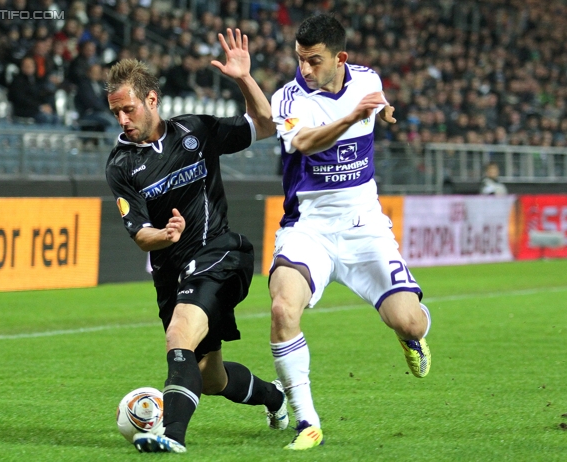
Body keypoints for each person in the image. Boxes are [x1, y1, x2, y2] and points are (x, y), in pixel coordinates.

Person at [104, 29, 286, 454]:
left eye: (128, 110)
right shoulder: (121, 166)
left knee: (179, 337)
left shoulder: (196, 131)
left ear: (152, 100)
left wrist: (244, 78)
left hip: (220, 252)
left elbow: (264, 125)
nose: (122, 121)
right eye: (115, 113)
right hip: (173, 274)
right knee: (210, 377)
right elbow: (140, 236)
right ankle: (275, 398)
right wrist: (164, 235)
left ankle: (170, 435)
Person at [268, 14, 432, 450]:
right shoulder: (287, 98)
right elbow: (303, 143)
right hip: (309, 228)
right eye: (300, 60)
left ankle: (410, 338)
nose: (305, 69)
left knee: (411, 322)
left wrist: (382, 108)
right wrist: (353, 117)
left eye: (314, 61)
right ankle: (306, 422)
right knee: (283, 309)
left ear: (340, 58)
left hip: (364, 225)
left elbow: (374, 101)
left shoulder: (366, 80)